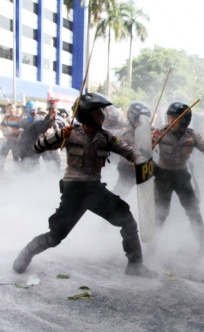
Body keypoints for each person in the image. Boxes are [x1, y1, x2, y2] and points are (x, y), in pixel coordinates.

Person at [12, 93, 157, 278]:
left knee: (127, 220)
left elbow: (128, 151)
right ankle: (27, 252)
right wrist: (58, 135)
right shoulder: (70, 133)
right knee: (55, 236)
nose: (102, 115)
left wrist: (141, 158)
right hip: (73, 193)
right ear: (87, 113)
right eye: (98, 111)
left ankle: (135, 265)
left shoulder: (107, 137)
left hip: (95, 190)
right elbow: (37, 147)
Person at [152, 101, 204, 257]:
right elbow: (143, 148)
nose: (171, 122)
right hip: (162, 176)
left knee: (194, 211)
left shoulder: (193, 136)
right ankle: (150, 250)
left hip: (182, 176)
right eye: (170, 118)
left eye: (175, 119)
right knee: (159, 214)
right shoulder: (160, 132)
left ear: (184, 120)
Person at [113, 102, 151, 198]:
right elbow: (123, 149)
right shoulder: (125, 135)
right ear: (133, 118)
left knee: (148, 195)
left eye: (145, 118)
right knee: (119, 194)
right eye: (140, 118)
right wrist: (135, 159)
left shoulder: (152, 132)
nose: (142, 121)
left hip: (145, 168)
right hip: (129, 168)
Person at [41, 106, 64, 173]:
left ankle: (55, 177)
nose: (54, 112)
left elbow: (57, 130)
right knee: (49, 164)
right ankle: (51, 178)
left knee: (57, 162)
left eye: (55, 111)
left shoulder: (56, 120)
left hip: (54, 146)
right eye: (52, 111)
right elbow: (46, 133)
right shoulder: (47, 120)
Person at [0, 103, 22, 173]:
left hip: (14, 140)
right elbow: (1, 125)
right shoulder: (5, 117)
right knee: (2, 156)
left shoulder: (19, 118)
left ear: (15, 109)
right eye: (10, 108)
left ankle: (16, 172)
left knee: (15, 157)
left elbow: (21, 129)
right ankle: (1, 171)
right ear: (7, 109)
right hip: (6, 140)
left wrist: (13, 132)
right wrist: (5, 129)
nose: (11, 110)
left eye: (12, 108)